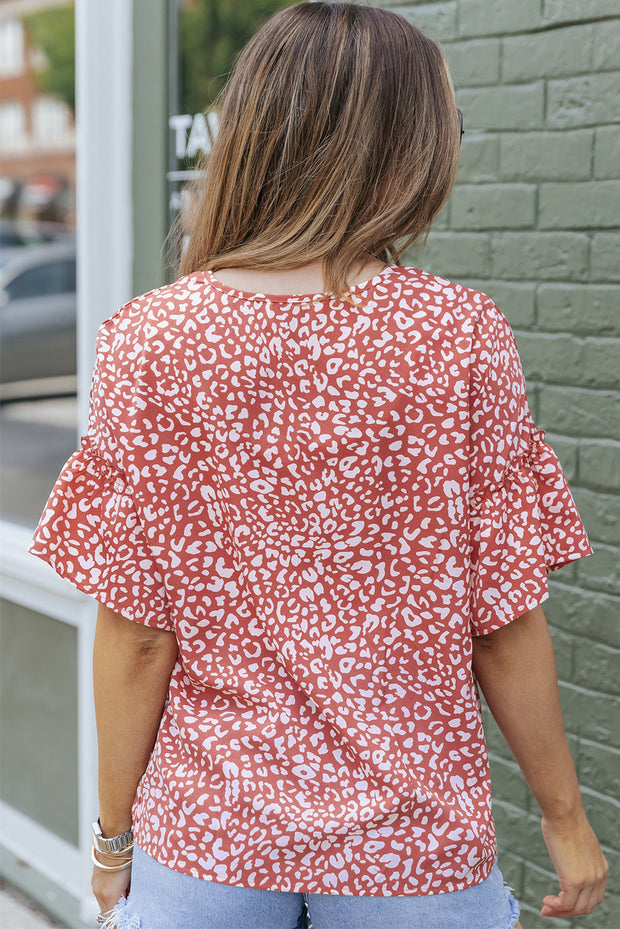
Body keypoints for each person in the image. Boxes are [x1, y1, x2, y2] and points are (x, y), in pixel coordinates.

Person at [29, 3, 608, 928]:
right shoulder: (459, 337)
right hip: (414, 849)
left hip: (209, 840)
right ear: (403, 147)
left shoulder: (150, 340)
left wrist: (112, 839)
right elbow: (502, 624)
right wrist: (566, 818)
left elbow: (137, 634)